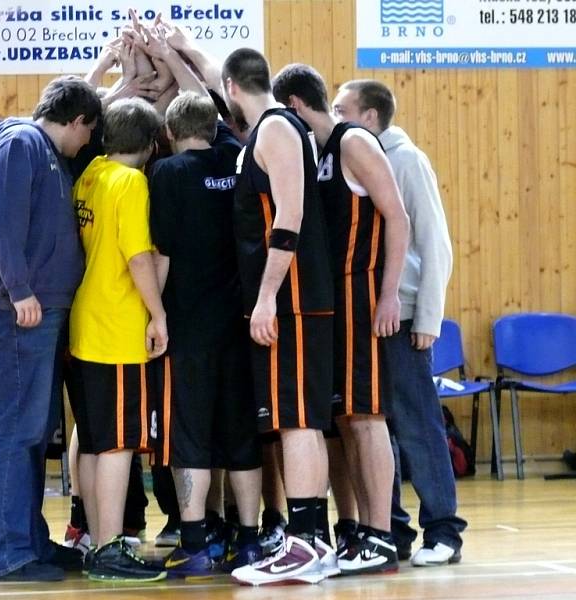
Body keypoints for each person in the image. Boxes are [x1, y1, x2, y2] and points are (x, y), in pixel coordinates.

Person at [0, 75, 101, 581]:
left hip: (28, 312)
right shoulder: (22, 143)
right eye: (88, 132)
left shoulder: (39, 147)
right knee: (15, 433)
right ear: (77, 121)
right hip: (12, 310)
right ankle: (8, 553)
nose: (87, 143)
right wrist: (19, 290)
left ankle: (30, 542)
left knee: (30, 434)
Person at [272, 63, 410, 575]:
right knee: (348, 420)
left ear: (293, 108)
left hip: (364, 293)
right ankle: (361, 532)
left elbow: (398, 216)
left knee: (369, 419)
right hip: (333, 300)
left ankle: (382, 534)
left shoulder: (354, 143)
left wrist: (391, 293)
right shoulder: (319, 153)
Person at [332, 79, 466, 566]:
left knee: (418, 425)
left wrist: (428, 314)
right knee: (371, 427)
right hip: (364, 315)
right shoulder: (351, 160)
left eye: (341, 108)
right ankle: (391, 530)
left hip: (405, 314)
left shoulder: (406, 160)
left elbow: (435, 244)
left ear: (368, 117)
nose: (334, 114)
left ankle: (444, 530)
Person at [220, 48, 337, 586]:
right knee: (299, 423)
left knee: (297, 423)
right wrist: (174, 48)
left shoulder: (275, 130)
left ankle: (307, 543)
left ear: (232, 87)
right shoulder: (269, 127)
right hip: (287, 300)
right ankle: (311, 541)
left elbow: (289, 216)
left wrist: (266, 296)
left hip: (290, 301)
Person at [148, 91, 262, 578]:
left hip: (187, 326)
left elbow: (162, 253)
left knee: (188, 435)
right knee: (241, 434)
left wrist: (155, 314)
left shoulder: (168, 174)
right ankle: (250, 542)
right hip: (239, 322)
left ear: (170, 134)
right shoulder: (236, 161)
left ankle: (194, 542)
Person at [67, 98, 167, 582]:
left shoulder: (91, 173)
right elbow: (138, 257)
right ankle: (109, 547)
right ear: (151, 147)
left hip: (84, 322)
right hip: (117, 328)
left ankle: (92, 538)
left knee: (92, 441)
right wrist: (158, 313)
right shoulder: (131, 182)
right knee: (118, 446)